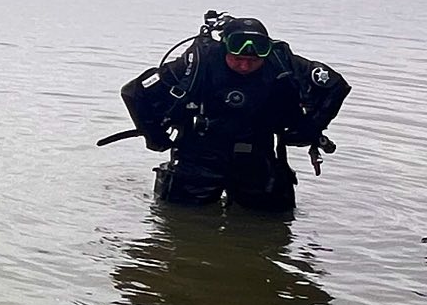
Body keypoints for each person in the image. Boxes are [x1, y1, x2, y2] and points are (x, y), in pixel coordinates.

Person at [118, 13, 348, 213]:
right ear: (224, 49)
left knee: (271, 221)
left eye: (252, 60)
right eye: (238, 59)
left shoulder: (282, 62)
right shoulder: (199, 62)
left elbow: (336, 86)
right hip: (199, 154)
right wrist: (154, 137)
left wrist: (311, 127)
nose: (245, 66)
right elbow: (134, 92)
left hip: (257, 154)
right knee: (179, 222)